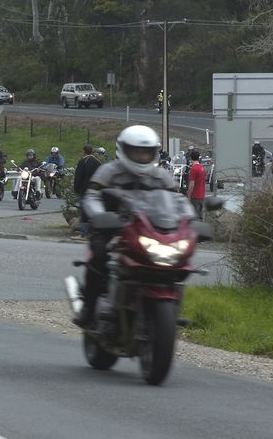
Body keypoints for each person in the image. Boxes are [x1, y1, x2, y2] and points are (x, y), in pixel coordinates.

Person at [73, 125, 195, 328]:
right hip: (113, 228)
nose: (141, 156)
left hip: (150, 229)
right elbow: (92, 197)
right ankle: (89, 307)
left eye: (146, 152)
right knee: (99, 254)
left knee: (178, 262)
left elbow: (178, 200)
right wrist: (100, 216)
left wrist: (191, 220)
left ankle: (170, 309)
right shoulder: (109, 172)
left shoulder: (160, 175)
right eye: (136, 152)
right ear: (124, 150)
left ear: (154, 152)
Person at [73, 144, 103, 237]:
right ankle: (93, 231)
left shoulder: (82, 162)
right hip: (95, 190)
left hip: (84, 190)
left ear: (84, 151)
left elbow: (78, 177)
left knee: (84, 212)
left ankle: (84, 232)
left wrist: (76, 188)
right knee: (94, 210)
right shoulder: (98, 162)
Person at [186, 148, 206, 220]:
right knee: (200, 217)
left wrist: (188, 195)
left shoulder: (193, 169)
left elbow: (192, 184)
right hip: (202, 195)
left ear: (191, 158)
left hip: (195, 196)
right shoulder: (202, 168)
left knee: (194, 217)